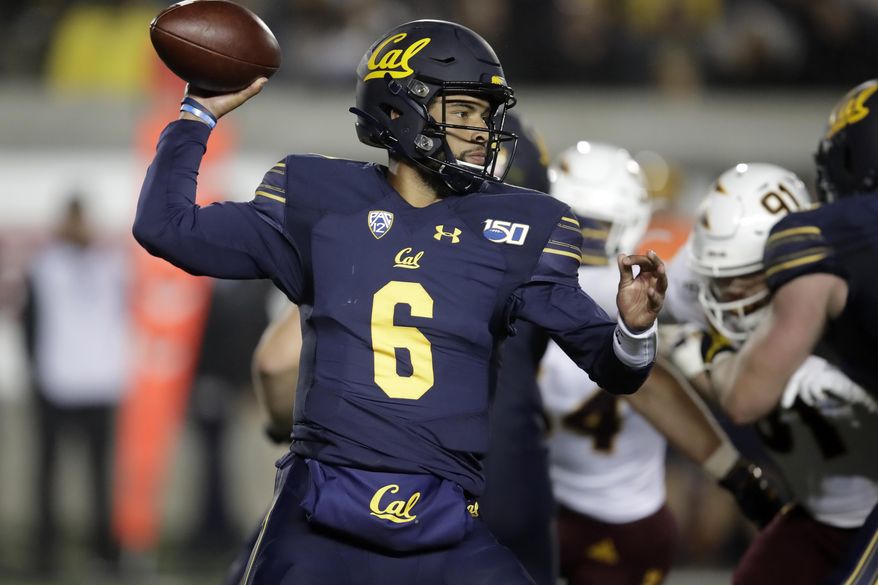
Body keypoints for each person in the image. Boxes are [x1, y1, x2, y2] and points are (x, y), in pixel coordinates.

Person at [133, 19, 666, 585]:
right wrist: (198, 113)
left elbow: (615, 369)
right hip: (319, 511)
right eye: (462, 112)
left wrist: (633, 329)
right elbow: (166, 227)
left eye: (486, 115)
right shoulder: (317, 199)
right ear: (398, 109)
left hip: (443, 519)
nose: (481, 131)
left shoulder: (523, 225)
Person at [539, 144, 785, 585]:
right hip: (628, 516)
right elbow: (656, 387)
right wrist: (736, 474)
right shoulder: (652, 290)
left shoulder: (525, 286)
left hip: (534, 502)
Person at [697, 81, 878, 585]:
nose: (735, 295)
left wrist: (702, 354)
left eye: (751, 278)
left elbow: (744, 395)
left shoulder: (823, 241)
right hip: (821, 513)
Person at [22, 195, 128, 574]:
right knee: (47, 475)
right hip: (57, 381)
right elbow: (29, 325)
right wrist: (36, 374)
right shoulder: (44, 266)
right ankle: (45, 553)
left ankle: (106, 550)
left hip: (101, 381)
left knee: (101, 475)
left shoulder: (111, 265)